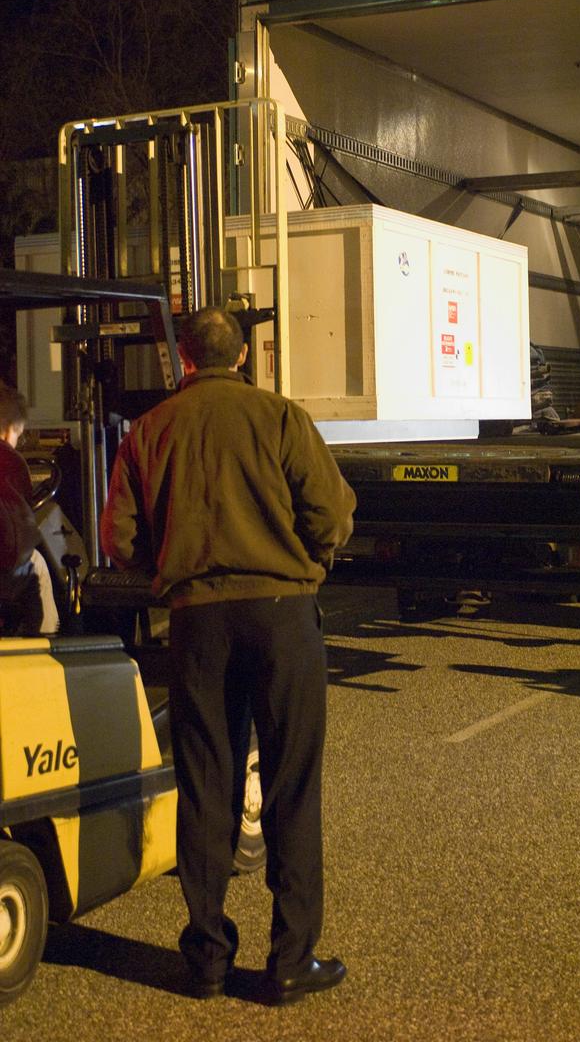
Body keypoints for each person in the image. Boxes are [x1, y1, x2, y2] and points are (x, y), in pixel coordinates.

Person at [100, 307, 356, 1003]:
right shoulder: (279, 417)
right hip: (281, 615)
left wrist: (171, 566)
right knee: (291, 787)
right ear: (243, 354)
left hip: (196, 622)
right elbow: (331, 513)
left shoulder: (148, 432)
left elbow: (119, 536)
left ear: (184, 360)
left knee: (206, 785)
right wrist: (307, 563)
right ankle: (290, 961)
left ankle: (207, 959)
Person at [0, 384, 60, 636]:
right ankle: (46, 641)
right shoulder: (10, 461)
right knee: (38, 565)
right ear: (6, 430)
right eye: (18, 434)